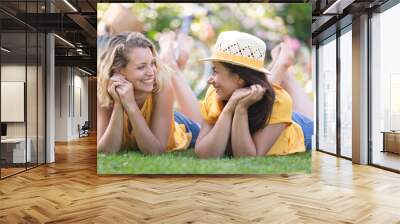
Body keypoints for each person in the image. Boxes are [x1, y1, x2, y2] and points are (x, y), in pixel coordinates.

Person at [192, 31, 314, 158]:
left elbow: (247, 157)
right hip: (266, 107)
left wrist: (241, 109)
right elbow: (204, 154)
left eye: (216, 71)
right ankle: (280, 66)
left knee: (321, 127)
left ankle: (283, 68)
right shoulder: (215, 93)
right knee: (268, 91)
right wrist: (229, 109)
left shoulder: (279, 101)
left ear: (238, 77)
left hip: (300, 129)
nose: (209, 80)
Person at [97, 32, 200, 154]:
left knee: (202, 127)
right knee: (166, 72)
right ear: (118, 71)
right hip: (159, 116)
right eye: (141, 67)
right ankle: (169, 60)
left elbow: (155, 151)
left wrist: (130, 105)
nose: (151, 72)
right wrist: (119, 104)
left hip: (180, 125)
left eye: (153, 63)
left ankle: (172, 61)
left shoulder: (161, 86)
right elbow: (106, 151)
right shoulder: (105, 89)